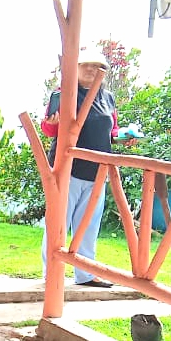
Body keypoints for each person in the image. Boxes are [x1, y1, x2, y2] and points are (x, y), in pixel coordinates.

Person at [40, 48, 121, 288]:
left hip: (97, 171)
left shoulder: (107, 98)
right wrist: (52, 123)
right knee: (58, 223)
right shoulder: (65, 94)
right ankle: (51, 273)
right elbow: (49, 129)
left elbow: (112, 129)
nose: (91, 70)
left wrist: (123, 136)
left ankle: (86, 274)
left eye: (97, 66)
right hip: (68, 169)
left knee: (89, 224)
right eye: (85, 65)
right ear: (74, 68)